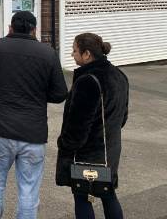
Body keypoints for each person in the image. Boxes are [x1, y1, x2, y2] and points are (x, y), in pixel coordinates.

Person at [0, 11, 68, 219]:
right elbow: (60, 93)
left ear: (11, 27)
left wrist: (0, 86)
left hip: (0, 129)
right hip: (33, 133)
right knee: (28, 190)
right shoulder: (48, 53)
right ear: (34, 30)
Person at [56, 33, 129, 219]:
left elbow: (78, 127)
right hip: (110, 149)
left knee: (82, 197)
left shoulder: (88, 80)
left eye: (74, 50)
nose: (72, 54)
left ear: (87, 54)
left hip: (88, 153)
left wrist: (64, 145)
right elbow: (122, 117)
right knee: (108, 193)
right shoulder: (119, 75)